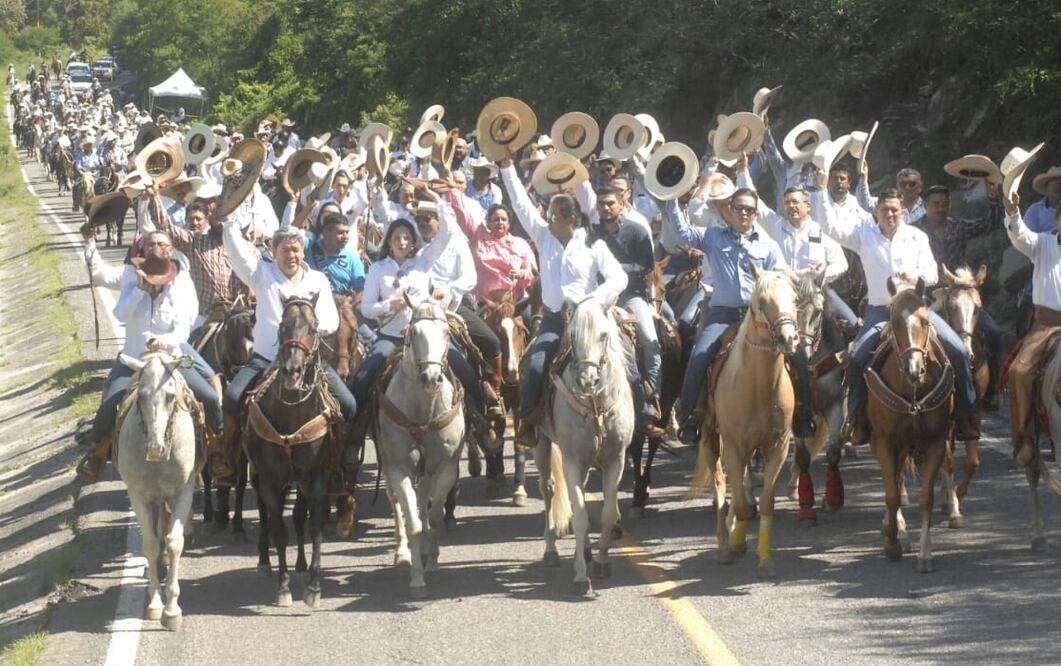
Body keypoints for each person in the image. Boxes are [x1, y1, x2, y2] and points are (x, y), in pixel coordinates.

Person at [499, 153, 658, 443]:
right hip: (555, 319)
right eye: (547, 216)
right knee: (535, 364)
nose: (546, 220)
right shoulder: (543, 236)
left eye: (553, 217)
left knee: (626, 354)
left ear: (570, 219)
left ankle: (642, 412)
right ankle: (530, 422)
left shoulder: (592, 242)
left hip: (591, 319)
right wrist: (507, 167)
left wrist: (595, 301)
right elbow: (521, 205)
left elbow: (618, 278)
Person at [817, 187, 979, 444]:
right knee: (858, 357)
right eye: (884, 210)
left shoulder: (917, 237)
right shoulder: (863, 236)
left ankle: (967, 413)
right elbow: (829, 226)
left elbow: (932, 274)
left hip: (916, 310)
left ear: (903, 212)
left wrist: (914, 277)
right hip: (880, 311)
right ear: (876, 212)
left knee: (958, 350)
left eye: (894, 210)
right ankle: (857, 419)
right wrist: (821, 186)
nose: (890, 214)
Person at [211, 222, 359, 480]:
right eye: (284, 250)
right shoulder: (261, 274)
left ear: (303, 252)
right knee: (233, 398)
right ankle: (229, 458)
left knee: (349, 404)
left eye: (295, 249)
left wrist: (303, 335)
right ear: (273, 250)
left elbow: (331, 321)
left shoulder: (318, 280)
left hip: (310, 362)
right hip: (266, 360)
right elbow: (235, 252)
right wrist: (231, 221)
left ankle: (338, 460)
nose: (290, 255)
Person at [76, 228, 224, 481]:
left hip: (172, 359)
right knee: (108, 407)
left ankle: (218, 452)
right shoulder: (129, 276)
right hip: (134, 359)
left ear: (171, 249)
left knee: (210, 397)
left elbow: (185, 325)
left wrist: (164, 342)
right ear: (142, 250)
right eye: (151, 243)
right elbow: (119, 312)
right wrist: (138, 290)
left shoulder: (182, 281)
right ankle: (97, 454)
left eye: (162, 244)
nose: (157, 247)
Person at [662, 188, 795, 444]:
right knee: (699, 356)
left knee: (797, 355)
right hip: (722, 314)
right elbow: (683, 232)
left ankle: (800, 413)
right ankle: (690, 414)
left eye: (749, 209)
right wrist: (671, 199)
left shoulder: (769, 246)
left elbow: (780, 280)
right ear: (729, 211)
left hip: (759, 316)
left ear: (756, 214)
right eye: (738, 208)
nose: (743, 213)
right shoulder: (712, 237)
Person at [911, 183, 1005, 407]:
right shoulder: (913, 231)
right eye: (935, 204)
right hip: (927, 295)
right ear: (925, 205)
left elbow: (989, 224)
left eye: (945, 204)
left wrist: (993, 198)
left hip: (961, 293)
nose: (940, 208)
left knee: (994, 333)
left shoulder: (959, 227)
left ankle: (993, 390)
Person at [586, 185, 664, 435]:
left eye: (610, 203)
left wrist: (615, 269)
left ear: (622, 204)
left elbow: (647, 266)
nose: (606, 208)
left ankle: (652, 393)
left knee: (651, 340)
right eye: (601, 204)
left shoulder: (638, 231)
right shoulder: (590, 233)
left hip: (632, 296)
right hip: (600, 297)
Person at [1002, 192, 1061, 466]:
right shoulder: (1043, 243)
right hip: (1048, 324)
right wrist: (1014, 213)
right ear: (1057, 221)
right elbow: (1020, 237)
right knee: (1019, 371)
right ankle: (1025, 437)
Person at [857, 164, 926, 222]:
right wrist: (863, 177)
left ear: (920, 188)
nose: (907, 187)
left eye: (912, 184)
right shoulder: (886, 203)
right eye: (903, 184)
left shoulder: (928, 206)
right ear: (897, 187)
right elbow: (864, 202)